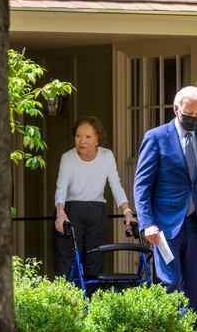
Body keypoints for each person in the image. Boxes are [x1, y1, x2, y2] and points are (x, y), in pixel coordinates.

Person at [134, 86, 197, 323]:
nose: (193, 119)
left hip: (196, 225)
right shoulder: (156, 137)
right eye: (188, 114)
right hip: (164, 228)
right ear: (176, 109)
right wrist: (147, 223)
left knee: (193, 286)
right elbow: (142, 185)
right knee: (169, 282)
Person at [53, 116, 135, 279]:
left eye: (87, 136)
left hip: (97, 213)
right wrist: (60, 213)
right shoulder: (67, 158)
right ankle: (68, 302)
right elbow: (61, 187)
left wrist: (127, 211)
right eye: (78, 136)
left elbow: (116, 185)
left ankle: (91, 302)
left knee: (95, 263)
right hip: (71, 212)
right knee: (68, 264)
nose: (81, 141)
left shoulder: (107, 156)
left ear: (98, 139)